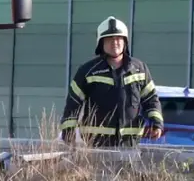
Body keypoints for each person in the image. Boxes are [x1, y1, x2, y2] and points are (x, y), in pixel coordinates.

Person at [60, 16, 164, 147]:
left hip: (130, 144)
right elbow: (73, 104)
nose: (115, 42)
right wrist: (68, 133)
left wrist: (156, 123)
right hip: (96, 144)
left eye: (118, 38)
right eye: (109, 39)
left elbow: (151, 99)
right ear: (101, 43)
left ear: (125, 42)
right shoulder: (87, 71)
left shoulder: (139, 69)